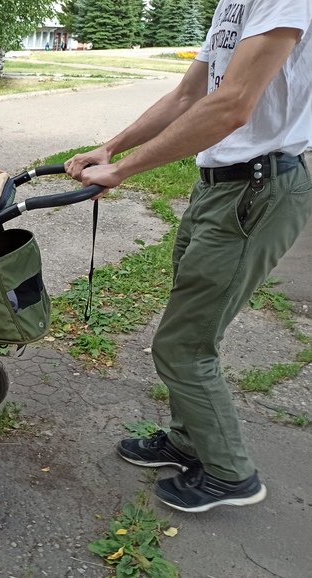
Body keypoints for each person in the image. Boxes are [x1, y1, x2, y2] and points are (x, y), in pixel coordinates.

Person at [65, 0, 312, 513]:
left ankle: (230, 474)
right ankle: (188, 440)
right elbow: (188, 95)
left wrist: (122, 171)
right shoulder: (231, 5)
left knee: (183, 346)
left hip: (256, 190)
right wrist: (111, 148)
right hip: (217, 188)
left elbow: (234, 104)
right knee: (192, 333)